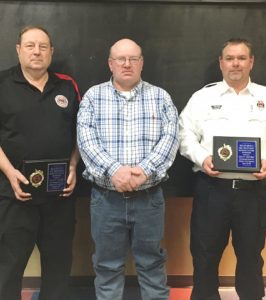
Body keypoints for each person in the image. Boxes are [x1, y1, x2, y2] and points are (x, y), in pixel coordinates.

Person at [179, 38, 266, 300]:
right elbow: (184, 135)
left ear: (251, 62)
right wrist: (202, 157)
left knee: (251, 257)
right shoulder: (202, 98)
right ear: (221, 63)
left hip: (253, 192)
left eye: (241, 57)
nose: (235, 63)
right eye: (229, 58)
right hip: (213, 190)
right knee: (204, 256)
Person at [77, 38, 179, 300]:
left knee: (152, 264)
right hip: (105, 199)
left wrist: (144, 170)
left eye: (133, 59)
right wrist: (115, 171)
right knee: (107, 266)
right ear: (110, 64)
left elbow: (171, 138)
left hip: (149, 199)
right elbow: (86, 140)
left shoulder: (160, 97)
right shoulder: (93, 97)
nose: (127, 64)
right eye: (121, 59)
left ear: (142, 63)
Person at [0, 26, 81, 300]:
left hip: (58, 196)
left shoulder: (67, 86)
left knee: (59, 268)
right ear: (18, 50)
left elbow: (80, 136)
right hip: (14, 194)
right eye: (30, 45)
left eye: (42, 46)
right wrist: (10, 173)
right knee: (9, 267)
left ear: (51, 52)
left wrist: (73, 166)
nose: (36, 51)